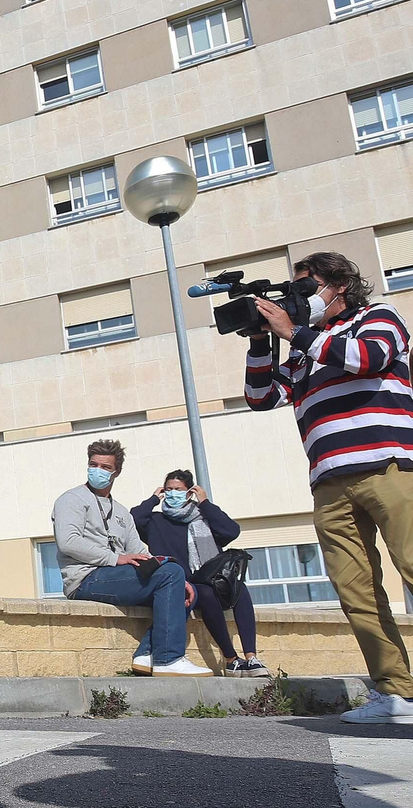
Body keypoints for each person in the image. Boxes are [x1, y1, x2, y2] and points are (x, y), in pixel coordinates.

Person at [246, 252, 413, 723]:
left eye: (307, 288)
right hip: (328, 480)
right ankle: (397, 693)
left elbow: (370, 358)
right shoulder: (304, 349)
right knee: (356, 590)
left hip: (390, 466)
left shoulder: (377, 317)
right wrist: (262, 342)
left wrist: (296, 333)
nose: (300, 299)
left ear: (339, 285)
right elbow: (261, 397)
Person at [53, 440, 211, 677]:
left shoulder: (120, 512)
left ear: (116, 472)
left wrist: (181, 581)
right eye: (93, 464)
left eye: (105, 467)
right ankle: (168, 658)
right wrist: (115, 558)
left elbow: (139, 550)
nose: (98, 470)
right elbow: (69, 542)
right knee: (171, 575)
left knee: (187, 587)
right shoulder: (72, 499)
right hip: (85, 578)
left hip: (115, 575)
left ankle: (147, 654)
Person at [132, 471, 267, 677]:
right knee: (205, 594)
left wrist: (204, 502)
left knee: (239, 589)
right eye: (168, 489)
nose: (172, 493)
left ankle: (251, 657)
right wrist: (153, 499)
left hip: (211, 577)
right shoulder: (155, 521)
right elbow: (134, 518)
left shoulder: (202, 519)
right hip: (182, 583)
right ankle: (231, 659)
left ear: (189, 492)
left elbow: (230, 531)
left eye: (178, 490)